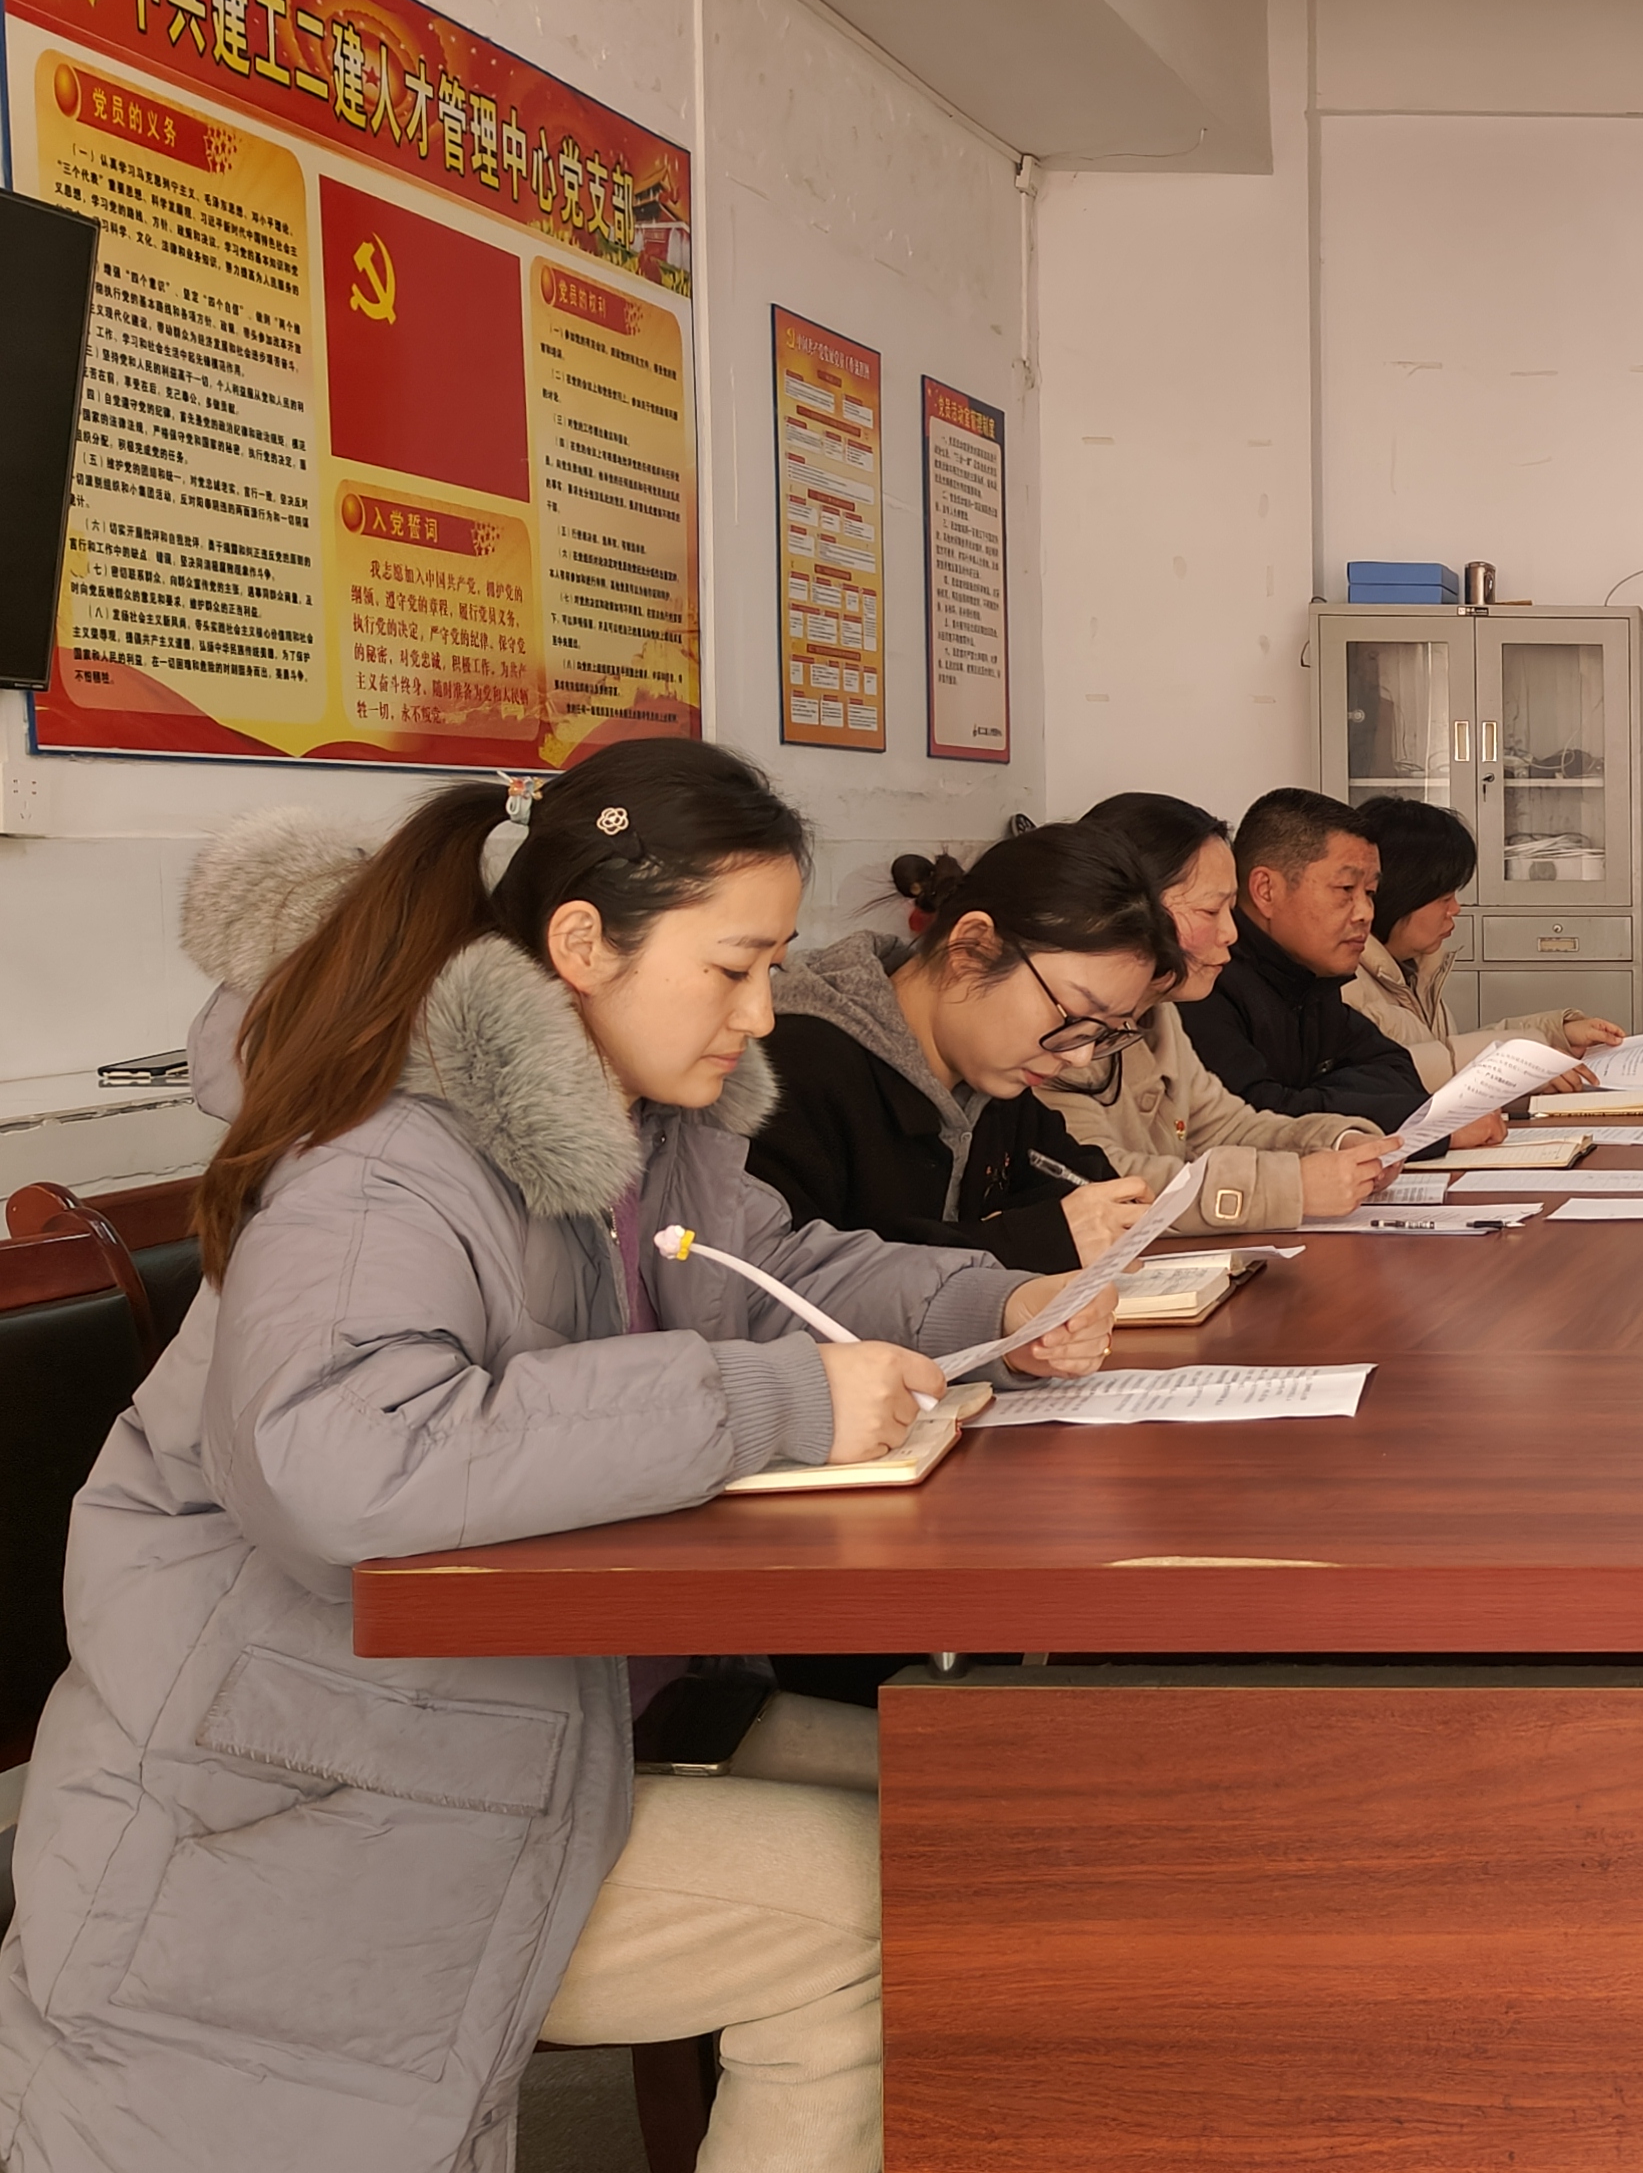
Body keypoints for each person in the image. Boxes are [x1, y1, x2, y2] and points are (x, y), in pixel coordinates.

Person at [0, 743, 1119, 2173]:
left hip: (529, 1710)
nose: (761, 1014)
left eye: (772, 968)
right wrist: (767, 1403)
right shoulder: (388, 1160)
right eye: (733, 969)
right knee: (877, 1908)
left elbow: (765, 1277)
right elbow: (336, 1456)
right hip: (298, 1789)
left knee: (998, 1807)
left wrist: (994, 1306)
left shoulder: (640, 1129)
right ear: (583, 945)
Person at [748, 825, 1185, 1275]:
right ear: (973, 947)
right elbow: (793, 1281)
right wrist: (1023, 1241)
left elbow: (1085, 1186)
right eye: (1073, 1016)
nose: (1079, 1056)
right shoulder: (791, 1069)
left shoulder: (993, 1080)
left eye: (1105, 1031)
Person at [1037, 792, 1402, 1229]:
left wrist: (1339, 1141)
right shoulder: (1059, 1031)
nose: (1230, 933)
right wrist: (1292, 1187)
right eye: (1210, 911)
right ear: (1128, 911)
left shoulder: (1159, 1013)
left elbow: (1226, 1127)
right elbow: (1099, 1177)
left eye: (1230, 910)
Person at [1177, 787, 1505, 1146]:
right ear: (1266, 890)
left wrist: (1307, 1097)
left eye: (1370, 893)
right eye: (1346, 889)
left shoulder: (1310, 980)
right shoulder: (1204, 985)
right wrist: (1424, 1126)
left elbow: (1397, 1070)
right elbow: (1253, 1118)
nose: (1365, 913)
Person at [1343, 795, 1625, 1090]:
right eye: (1444, 898)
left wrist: (1558, 1033)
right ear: (1399, 896)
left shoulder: (1414, 970)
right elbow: (1389, 1079)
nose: (1456, 909)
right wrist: (1520, 1063)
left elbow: (1446, 1053)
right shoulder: (1343, 987)